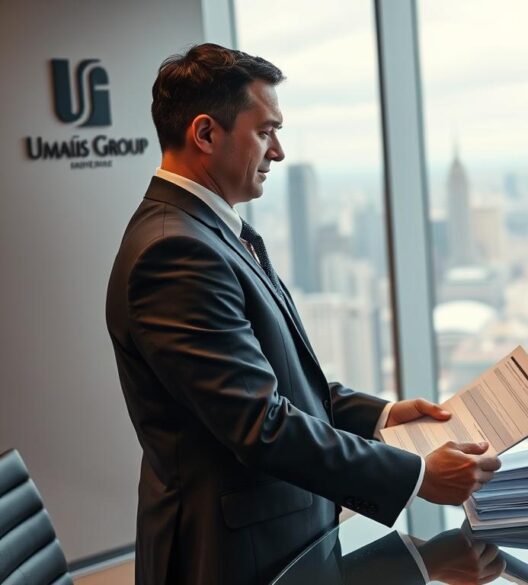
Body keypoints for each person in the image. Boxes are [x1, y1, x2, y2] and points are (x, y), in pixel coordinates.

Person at [105, 43, 500, 585]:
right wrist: (416, 476)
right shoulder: (175, 251)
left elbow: (276, 383)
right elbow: (260, 424)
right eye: (266, 131)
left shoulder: (211, 232)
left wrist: (382, 418)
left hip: (278, 540)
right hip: (231, 558)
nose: (279, 152)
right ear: (205, 134)